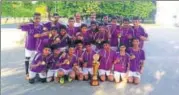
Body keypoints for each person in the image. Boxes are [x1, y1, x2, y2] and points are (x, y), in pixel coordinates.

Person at [19, 13, 43, 80]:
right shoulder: (29, 25)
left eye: (39, 18)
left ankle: (37, 72)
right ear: (33, 18)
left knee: (37, 60)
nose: (37, 20)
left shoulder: (41, 26)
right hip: (29, 47)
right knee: (27, 60)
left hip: (37, 47)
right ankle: (27, 73)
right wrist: (25, 23)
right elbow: (18, 26)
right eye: (36, 18)